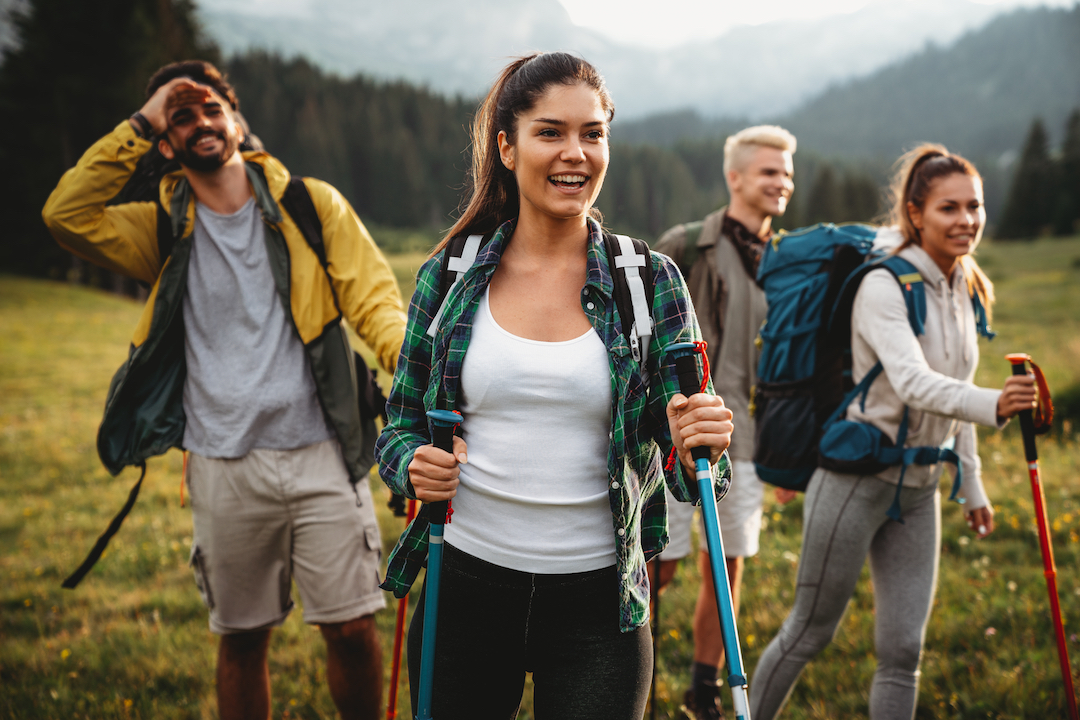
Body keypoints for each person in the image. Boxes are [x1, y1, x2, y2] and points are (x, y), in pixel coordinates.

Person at [42, 60, 406, 720]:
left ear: (238, 122)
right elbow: (65, 215)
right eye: (180, 116)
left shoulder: (309, 204)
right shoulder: (159, 226)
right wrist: (143, 118)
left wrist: (413, 366)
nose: (201, 121)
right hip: (221, 464)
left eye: (211, 108)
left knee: (353, 629)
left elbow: (376, 302)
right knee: (241, 640)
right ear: (163, 142)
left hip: (324, 451)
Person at [375, 52, 733, 720]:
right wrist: (411, 466)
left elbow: (693, 467)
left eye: (592, 133)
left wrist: (698, 444)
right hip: (466, 589)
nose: (576, 153)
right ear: (507, 147)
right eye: (551, 132)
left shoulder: (648, 281)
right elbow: (399, 427)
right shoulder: (449, 275)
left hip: (601, 605)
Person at [748, 145, 1038, 719]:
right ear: (915, 213)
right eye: (948, 209)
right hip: (857, 477)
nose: (966, 221)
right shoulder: (884, 285)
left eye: (974, 207)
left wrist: (973, 485)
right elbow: (913, 382)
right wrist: (996, 404)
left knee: (904, 651)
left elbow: (958, 383)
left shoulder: (965, 286)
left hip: (921, 485)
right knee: (810, 632)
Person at [650, 125, 798, 720]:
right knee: (657, 562)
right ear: (734, 177)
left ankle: (705, 690)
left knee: (727, 561)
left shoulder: (790, 261)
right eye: (769, 171)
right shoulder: (686, 246)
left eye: (788, 172)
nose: (781, 182)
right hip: (678, 435)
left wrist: (786, 451)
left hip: (751, 439)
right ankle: (637, 671)